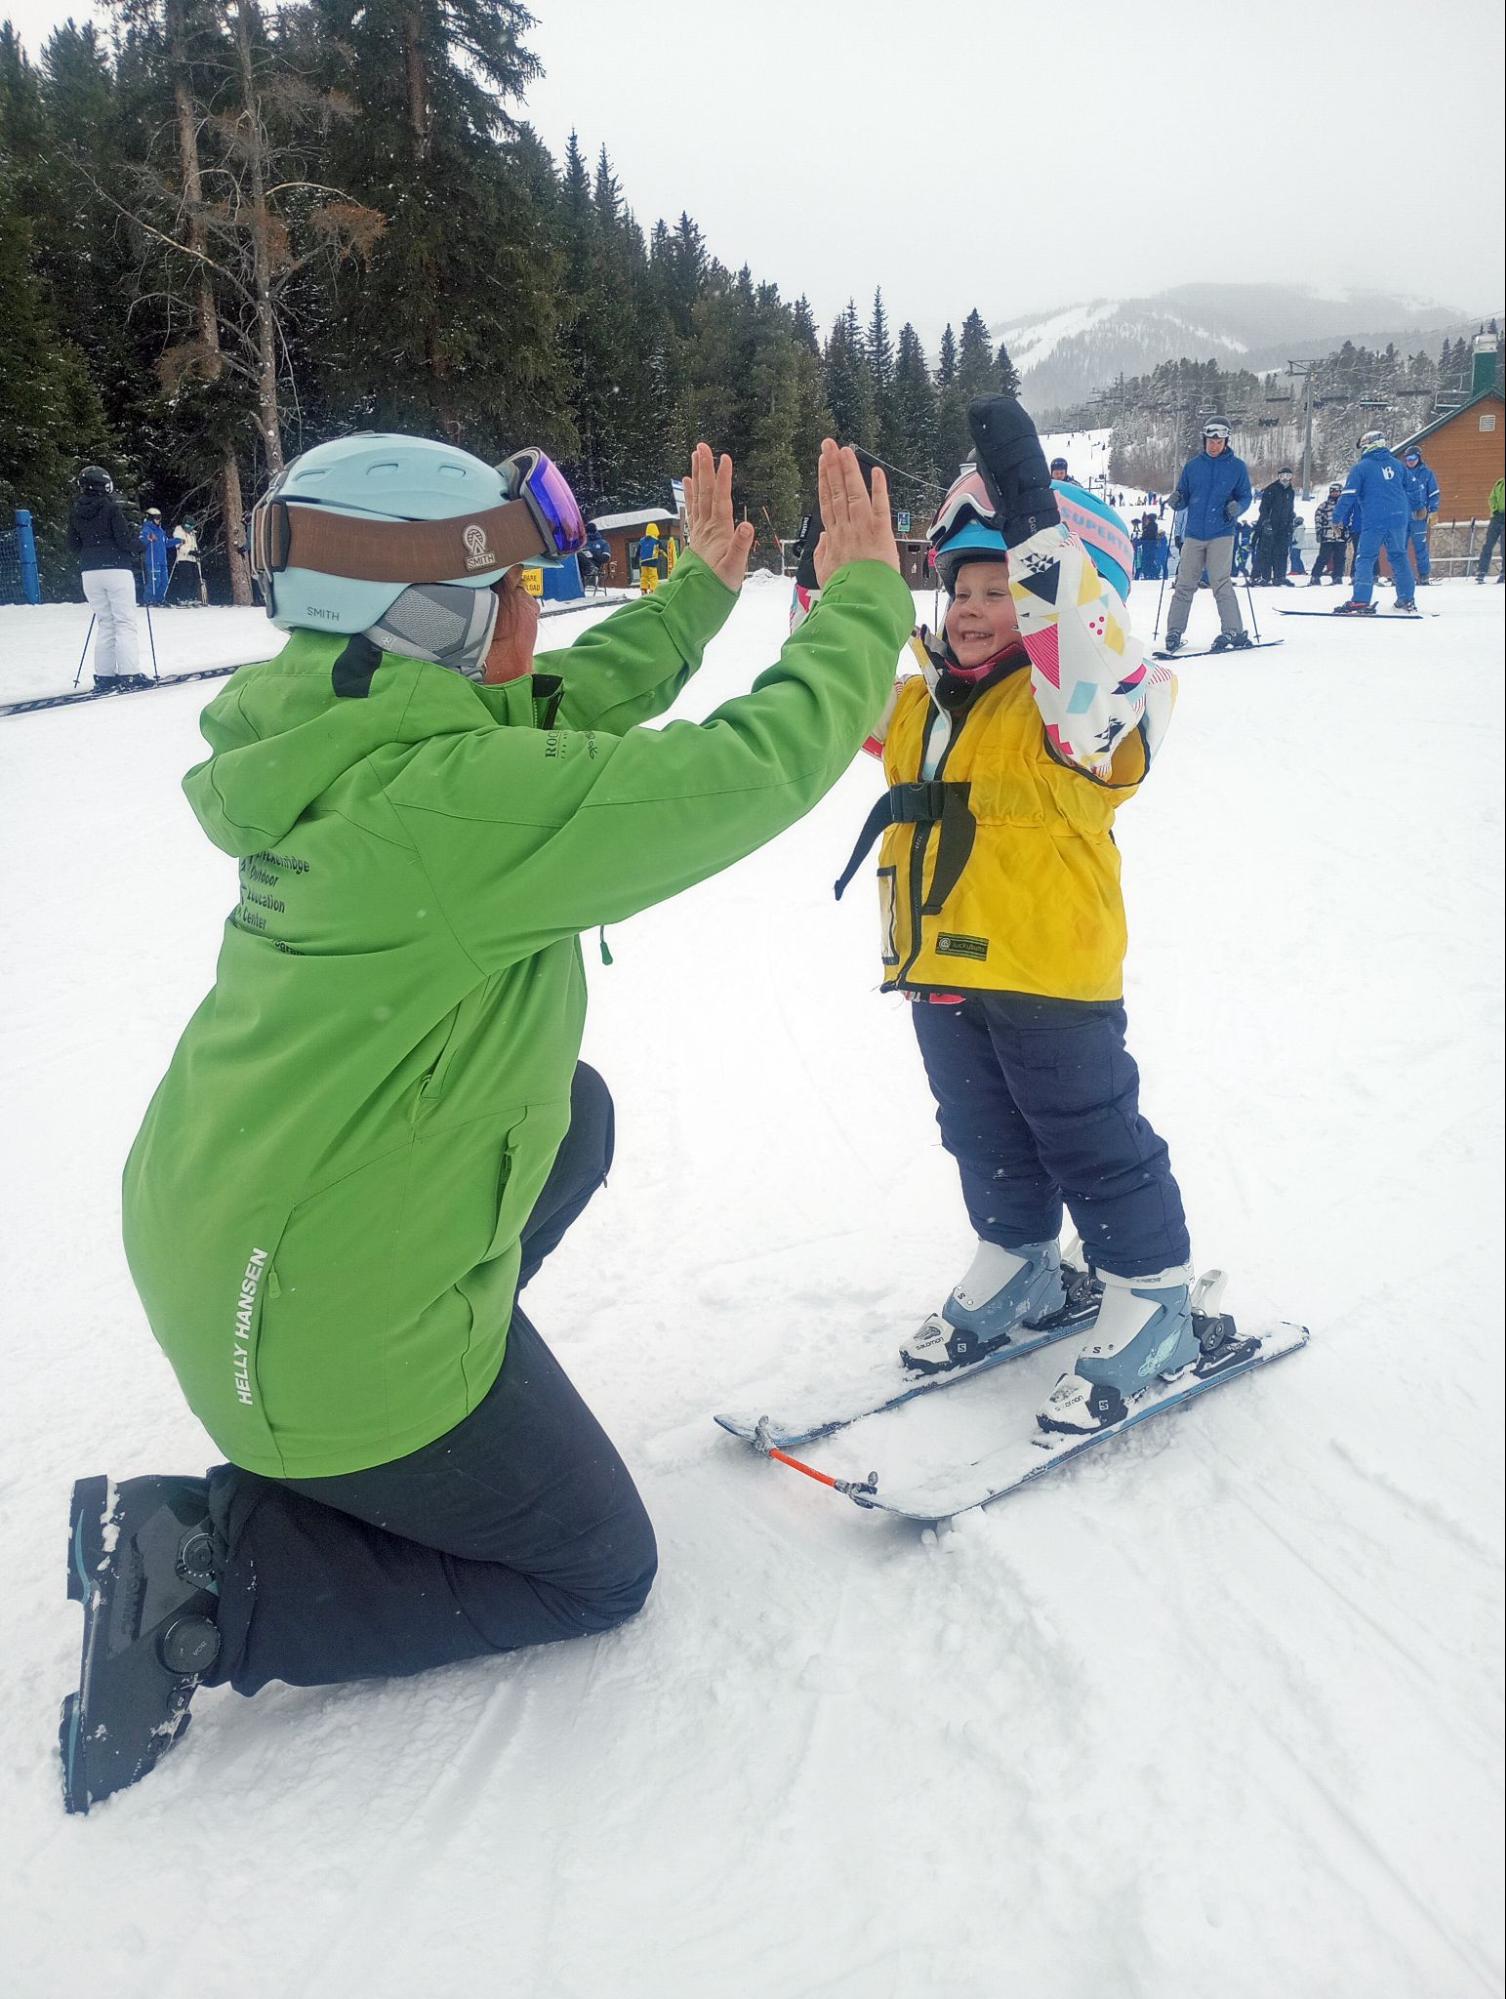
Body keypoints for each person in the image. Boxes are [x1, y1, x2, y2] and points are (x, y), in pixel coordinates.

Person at [57, 432, 913, 1814]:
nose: (535, 608)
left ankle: (394, 1423)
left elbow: (557, 698)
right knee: (594, 1565)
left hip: (233, 1225)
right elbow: (744, 772)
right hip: (306, 1313)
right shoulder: (445, 808)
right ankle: (213, 1565)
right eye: (510, 584)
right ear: (420, 612)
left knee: (570, 1117)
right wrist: (866, 599)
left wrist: (695, 594)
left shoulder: (349, 726)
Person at [832, 395, 1209, 1442]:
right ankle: (1021, 1259)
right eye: (962, 585)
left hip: (1050, 975)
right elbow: (839, 694)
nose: (974, 604)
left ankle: (1154, 1290)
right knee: (981, 1132)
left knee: (1091, 1138)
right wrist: (845, 582)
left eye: (1003, 586)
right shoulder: (926, 703)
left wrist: (1040, 525)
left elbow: (1075, 654)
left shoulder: (1085, 711)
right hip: (941, 969)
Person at [1161, 420, 1252, 652]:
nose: (1214, 446)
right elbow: (1183, 495)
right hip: (1193, 533)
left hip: (1221, 532)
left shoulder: (1237, 467)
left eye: (1219, 442)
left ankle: (1233, 629)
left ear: (1225, 442)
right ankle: (1174, 631)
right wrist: (1177, 500)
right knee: (1184, 583)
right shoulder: (1193, 467)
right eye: (1211, 441)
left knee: (1220, 582)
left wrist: (1237, 508)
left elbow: (1245, 497)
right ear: (1205, 441)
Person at [66, 466, 147, 693]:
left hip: (89, 572)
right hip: (116, 569)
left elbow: (72, 545)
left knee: (106, 623)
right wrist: (141, 544)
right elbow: (124, 541)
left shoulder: (75, 511)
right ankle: (129, 674)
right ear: (104, 485)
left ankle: (104, 676)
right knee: (124, 622)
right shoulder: (110, 508)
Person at [1333, 430, 1417, 614]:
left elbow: (1348, 495)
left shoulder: (1362, 467)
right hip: (1399, 518)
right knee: (1399, 556)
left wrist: (1336, 518)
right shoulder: (1398, 465)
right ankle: (1406, 598)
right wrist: (1419, 508)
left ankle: (1361, 600)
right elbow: (1413, 487)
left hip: (1375, 518)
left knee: (1365, 558)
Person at [1399, 446, 1440, 585]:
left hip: (1419, 516)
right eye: (1407, 459)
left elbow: (1434, 493)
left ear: (1419, 458)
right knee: (1399, 547)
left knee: (1420, 547)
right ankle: (1400, 575)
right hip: (1403, 516)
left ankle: (1424, 575)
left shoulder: (1427, 473)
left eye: (1413, 459)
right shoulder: (1402, 473)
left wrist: (1433, 510)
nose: (1410, 461)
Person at [1251, 468, 1296, 586]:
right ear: (1279, 477)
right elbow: (1263, 508)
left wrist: (1291, 522)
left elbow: (1290, 509)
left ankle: (1280, 576)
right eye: (1282, 476)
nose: (1285, 479)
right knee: (1266, 552)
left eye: (1288, 476)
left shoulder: (1290, 492)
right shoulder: (1271, 489)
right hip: (1270, 526)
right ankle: (1265, 577)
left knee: (1282, 552)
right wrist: (1266, 522)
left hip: (1284, 527)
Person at [1309, 483, 1349, 585]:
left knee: (1340, 557)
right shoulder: (1324, 505)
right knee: (1323, 557)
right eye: (1333, 492)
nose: (1335, 493)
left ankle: (1337, 576)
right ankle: (1315, 576)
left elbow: (1348, 518)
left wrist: (1347, 531)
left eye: (1337, 492)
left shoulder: (1345, 505)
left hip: (1340, 535)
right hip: (1327, 536)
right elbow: (1318, 518)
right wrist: (1319, 531)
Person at [139, 507, 175, 606]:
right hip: (152, 560)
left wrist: (178, 540)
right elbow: (141, 541)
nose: (159, 519)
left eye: (159, 517)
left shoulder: (160, 531)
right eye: (156, 517)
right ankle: (149, 599)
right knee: (155, 581)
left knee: (164, 582)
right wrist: (148, 538)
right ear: (150, 518)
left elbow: (166, 543)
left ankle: (160, 599)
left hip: (162, 560)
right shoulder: (146, 529)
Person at [167, 516, 206, 605]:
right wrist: (189, 551)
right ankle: (184, 597)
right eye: (188, 525)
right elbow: (179, 546)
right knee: (186, 578)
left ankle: (192, 597)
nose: (190, 528)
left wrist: (197, 552)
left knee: (193, 578)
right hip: (183, 558)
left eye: (192, 526)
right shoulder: (179, 531)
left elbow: (194, 544)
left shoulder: (192, 534)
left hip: (192, 559)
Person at [1477, 475, 1504, 582]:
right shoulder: (1499, 483)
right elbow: (1492, 498)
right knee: (1488, 545)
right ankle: (1481, 571)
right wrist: (1495, 510)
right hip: (1496, 518)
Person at [635, 520, 663, 593]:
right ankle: (653, 589)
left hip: (643, 562)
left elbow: (638, 552)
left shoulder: (642, 541)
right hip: (652, 561)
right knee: (653, 576)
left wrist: (636, 559)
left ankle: (643, 589)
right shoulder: (656, 540)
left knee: (644, 576)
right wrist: (666, 554)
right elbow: (663, 549)